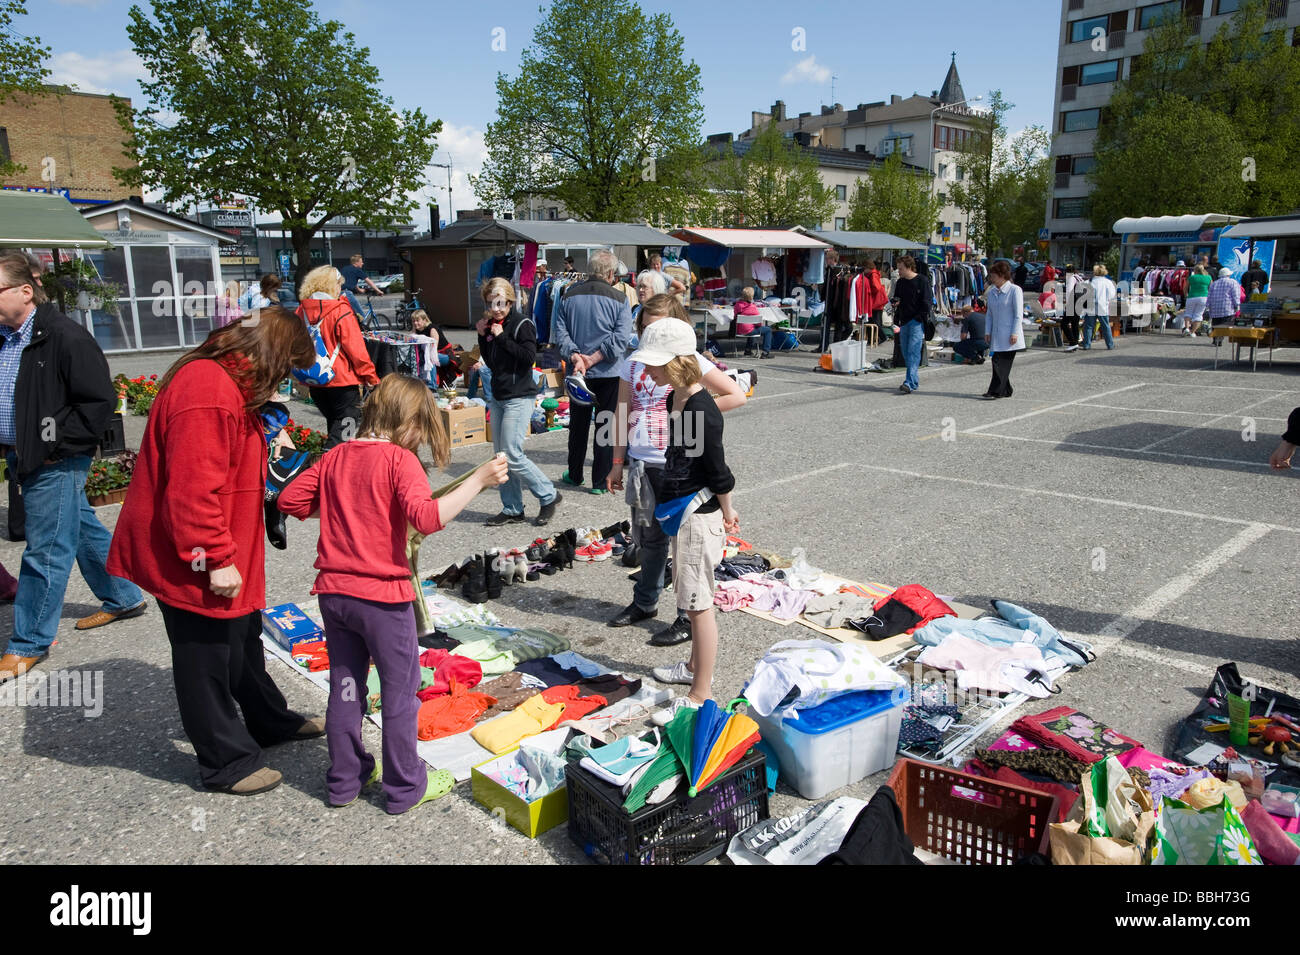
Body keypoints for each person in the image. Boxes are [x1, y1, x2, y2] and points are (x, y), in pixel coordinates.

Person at [107, 306, 321, 794]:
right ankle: (226, 761)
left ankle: (269, 721)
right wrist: (215, 557)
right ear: (268, 357)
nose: (284, 382)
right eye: (285, 370)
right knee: (205, 657)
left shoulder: (227, 382)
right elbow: (191, 489)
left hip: (220, 545)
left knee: (242, 642)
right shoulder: (207, 390)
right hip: (194, 555)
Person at [278, 375, 508, 811]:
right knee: (400, 693)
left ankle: (344, 781)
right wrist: (477, 479)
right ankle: (404, 787)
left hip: (334, 594)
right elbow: (426, 518)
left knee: (346, 686)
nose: (421, 436)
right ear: (408, 421)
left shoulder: (337, 456)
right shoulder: (400, 461)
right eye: (421, 426)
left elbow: (289, 500)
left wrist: (337, 500)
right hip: (383, 599)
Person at [0, 253, 147, 683]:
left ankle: (28, 643)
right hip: (23, 453)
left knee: (46, 550)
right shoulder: (7, 336)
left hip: (53, 458)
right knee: (79, 526)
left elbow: (98, 404)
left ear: (25, 291)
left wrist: (54, 448)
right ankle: (123, 596)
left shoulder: (65, 337)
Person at [606, 295, 745, 647]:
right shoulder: (635, 363)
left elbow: (735, 396)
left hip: (682, 466)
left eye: (658, 326)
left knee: (686, 545)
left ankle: (687, 616)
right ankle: (645, 602)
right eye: (645, 327)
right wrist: (617, 460)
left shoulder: (686, 361)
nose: (650, 333)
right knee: (649, 539)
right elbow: (622, 411)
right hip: (644, 460)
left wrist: (695, 420)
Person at [619, 319, 738, 725]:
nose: (647, 372)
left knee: (697, 605)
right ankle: (691, 668)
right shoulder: (678, 398)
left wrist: (728, 509)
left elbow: (717, 469)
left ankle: (700, 690)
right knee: (690, 597)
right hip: (683, 512)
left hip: (697, 516)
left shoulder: (702, 408)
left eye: (655, 365)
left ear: (679, 362)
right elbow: (680, 458)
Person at [476, 278, 561, 527]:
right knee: (501, 458)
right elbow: (493, 364)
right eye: (492, 303)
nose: (497, 308)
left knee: (512, 453)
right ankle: (512, 508)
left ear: (511, 301)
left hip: (519, 396)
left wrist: (502, 338)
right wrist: (483, 337)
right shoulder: (492, 325)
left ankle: (549, 495)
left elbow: (527, 359)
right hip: (499, 396)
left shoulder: (522, 323)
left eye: (502, 303)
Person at [553, 249, 634, 493]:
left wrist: (577, 357)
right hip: (609, 372)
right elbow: (620, 340)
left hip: (579, 373)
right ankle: (599, 481)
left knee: (577, 426)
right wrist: (595, 358)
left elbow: (560, 333)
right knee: (605, 425)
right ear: (610, 274)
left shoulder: (568, 295)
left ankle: (575, 473)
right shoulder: (620, 300)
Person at [296, 265, 380, 449]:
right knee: (344, 432)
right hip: (341, 380)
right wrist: (370, 377)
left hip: (315, 379)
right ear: (331, 285)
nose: (340, 288)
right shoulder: (340, 310)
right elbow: (356, 349)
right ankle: (329, 467)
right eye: (338, 284)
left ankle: (331, 464)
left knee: (335, 425)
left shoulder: (300, 311)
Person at [982, 260, 1025, 400]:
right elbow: (989, 314)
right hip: (996, 334)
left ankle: (995, 391)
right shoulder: (992, 292)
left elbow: (1018, 314)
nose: (991, 278)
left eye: (993, 276)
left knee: (999, 363)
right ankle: (1006, 389)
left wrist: (1015, 333)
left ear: (1002, 276)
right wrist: (987, 332)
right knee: (998, 362)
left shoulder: (1014, 290)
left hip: (1009, 335)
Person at [890, 254, 930, 394]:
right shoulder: (900, 282)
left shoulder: (922, 281)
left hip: (916, 321)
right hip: (904, 320)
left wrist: (920, 317)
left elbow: (927, 302)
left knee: (913, 352)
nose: (898, 271)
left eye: (900, 268)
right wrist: (895, 302)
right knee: (906, 353)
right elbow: (897, 297)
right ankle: (913, 380)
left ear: (908, 267)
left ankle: (909, 382)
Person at [731, 286, 774, 358]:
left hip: (739, 330)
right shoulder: (752, 307)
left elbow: (735, 316)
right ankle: (765, 352)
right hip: (749, 330)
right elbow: (759, 323)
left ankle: (748, 350)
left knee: (751, 328)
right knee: (768, 330)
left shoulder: (737, 305)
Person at [1082, 264, 1116, 351]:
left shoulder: (1089, 282)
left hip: (1090, 306)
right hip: (1102, 306)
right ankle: (1110, 345)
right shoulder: (1108, 282)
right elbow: (1112, 295)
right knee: (1105, 326)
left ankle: (1086, 344)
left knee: (1088, 326)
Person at [1206, 267, 1244, 345]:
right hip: (1227, 307)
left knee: (1215, 324)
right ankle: (1220, 339)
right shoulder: (1233, 282)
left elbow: (1209, 295)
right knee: (1224, 324)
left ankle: (1216, 338)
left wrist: (1208, 305)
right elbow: (1235, 295)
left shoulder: (1214, 283)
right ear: (1228, 274)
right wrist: (1237, 305)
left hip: (1215, 307)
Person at [1183, 264, 1211, 338]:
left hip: (1192, 296)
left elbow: (1185, 287)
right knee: (1198, 315)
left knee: (1188, 313)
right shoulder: (1208, 277)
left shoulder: (1192, 277)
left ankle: (1187, 328)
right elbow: (1211, 288)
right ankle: (1193, 332)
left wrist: (1186, 295)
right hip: (1203, 297)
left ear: (1195, 270)